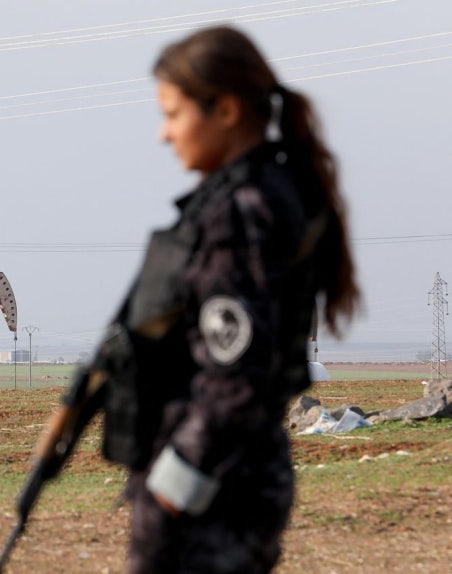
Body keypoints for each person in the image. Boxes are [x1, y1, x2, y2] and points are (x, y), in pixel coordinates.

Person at [87, 25, 360, 573]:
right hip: (237, 477)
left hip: (213, 490)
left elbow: (235, 376)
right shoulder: (275, 191)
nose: (164, 135)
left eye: (173, 114)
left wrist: (171, 488)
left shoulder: (239, 215)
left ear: (227, 111)